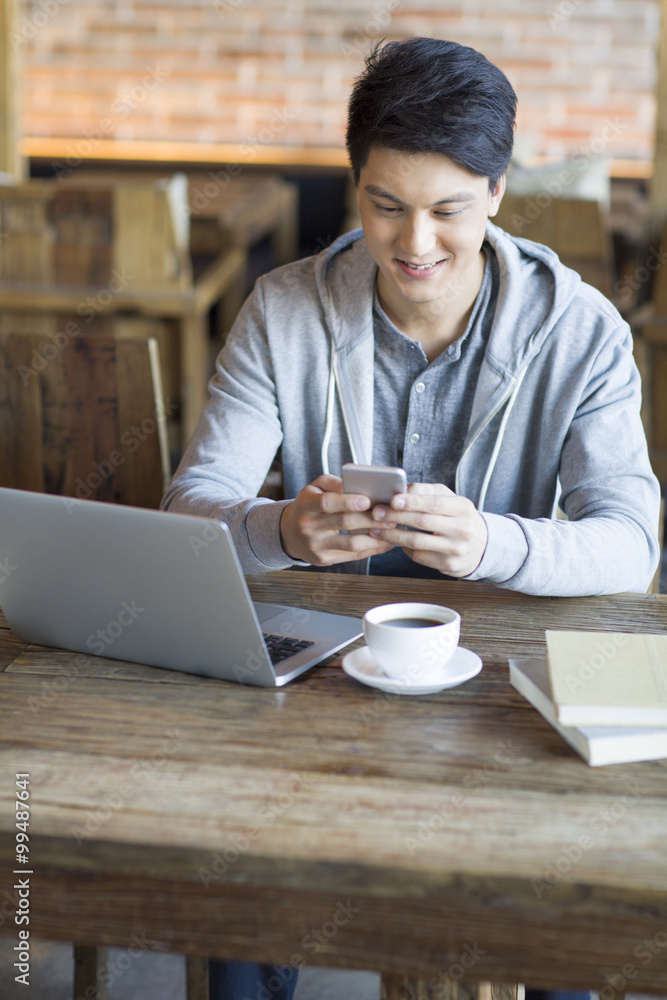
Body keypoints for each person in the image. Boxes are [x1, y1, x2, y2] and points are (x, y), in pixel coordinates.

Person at [162, 35, 661, 1000]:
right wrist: (280, 532)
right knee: (244, 881)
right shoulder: (283, 313)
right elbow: (190, 516)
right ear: (354, 187)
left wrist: (492, 543)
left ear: (498, 193)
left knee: (565, 909)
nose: (414, 245)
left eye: (448, 211)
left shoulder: (581, 328)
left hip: (506, 688)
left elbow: (633, 546)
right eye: (384, 206)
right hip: (315, 678)